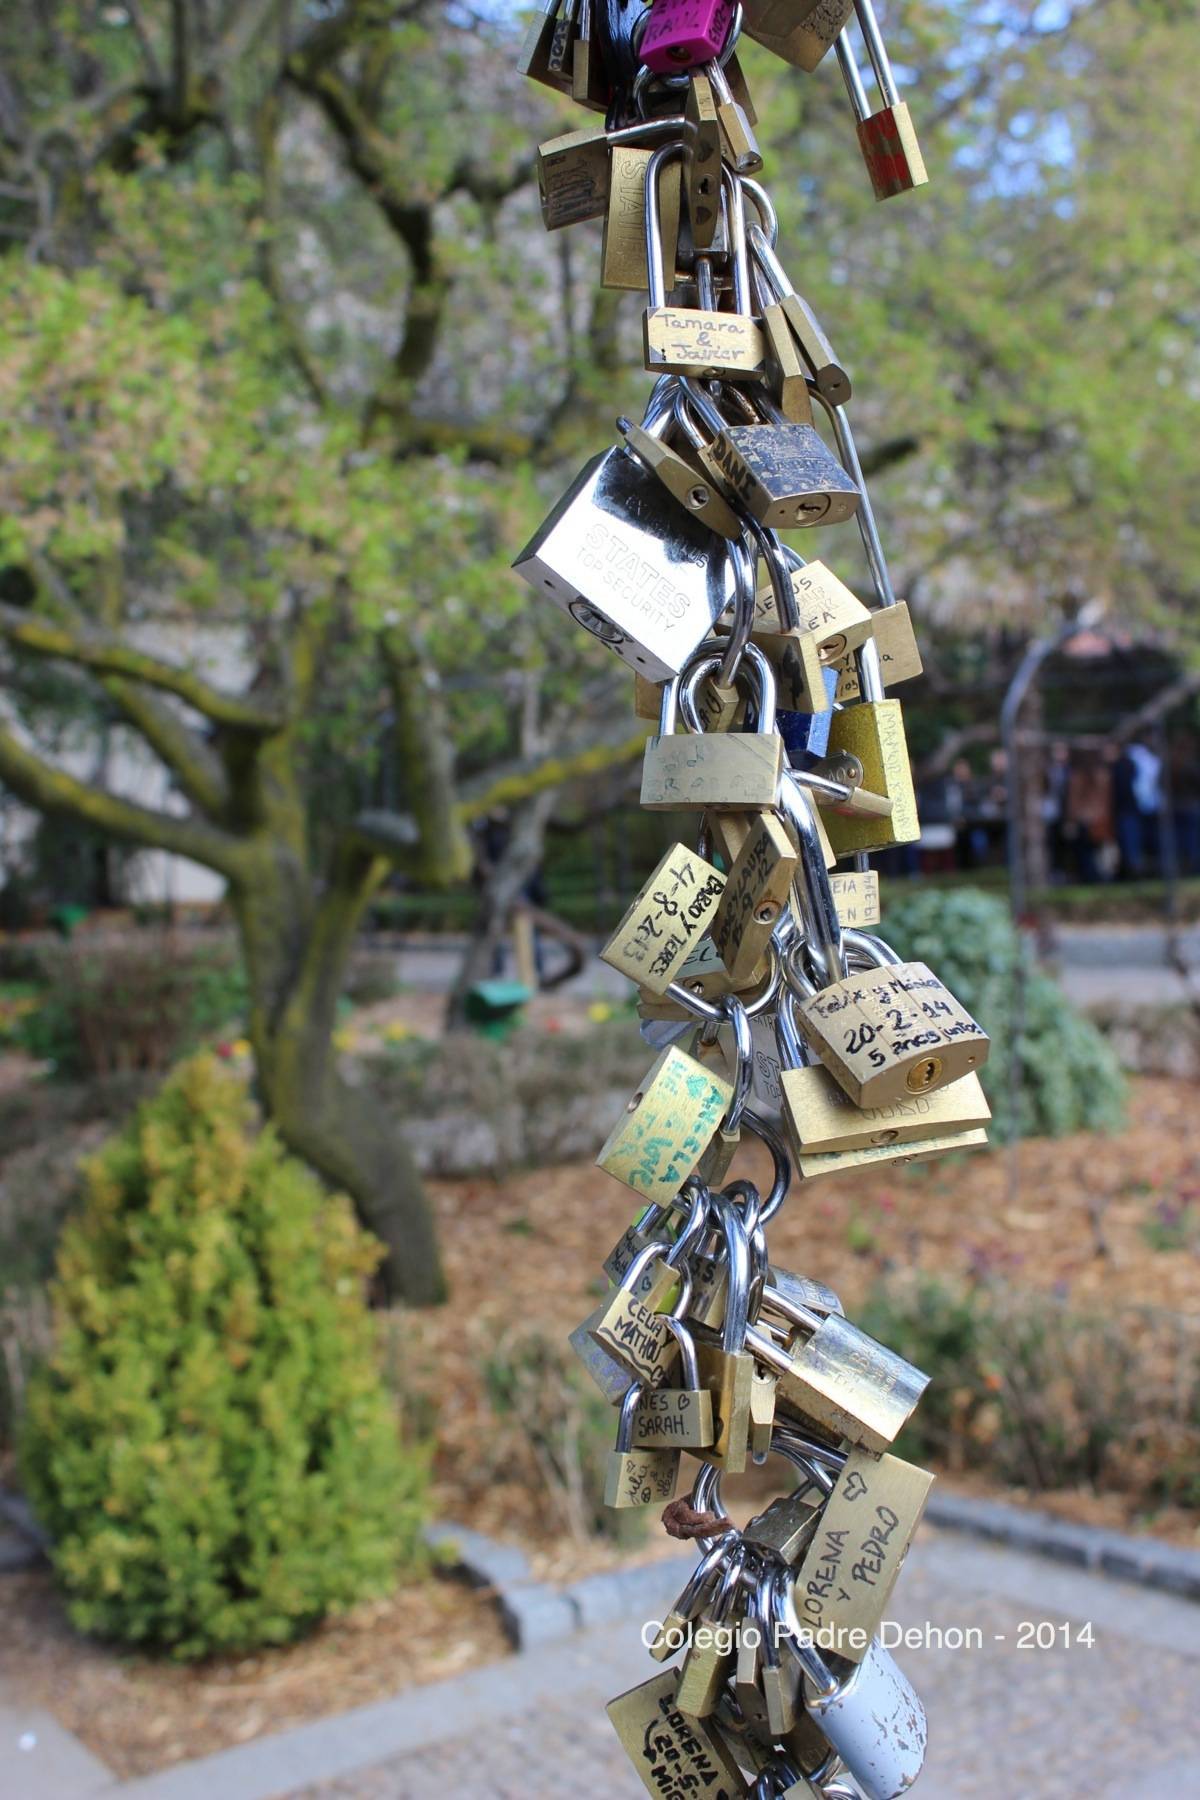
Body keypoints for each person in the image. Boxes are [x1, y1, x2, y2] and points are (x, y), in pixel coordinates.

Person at [1112, 739, 1161, 879]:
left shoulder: (1129, 763)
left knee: (1135, 842)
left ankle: (1137, 870)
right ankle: (1135, 870)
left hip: (1135, 808)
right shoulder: (1137, 762)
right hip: (1136, 808)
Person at [1065, 750, 1113, 884]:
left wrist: (1071, 819)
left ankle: (1091, 877)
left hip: (1084, 819)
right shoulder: (1103, 775)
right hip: (1099, 818)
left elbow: (1073, 802)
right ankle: (1098, 877)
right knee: (1095, 851)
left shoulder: (1077, 776)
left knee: (1085, 852)